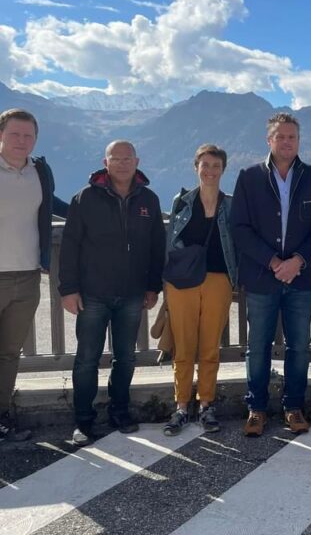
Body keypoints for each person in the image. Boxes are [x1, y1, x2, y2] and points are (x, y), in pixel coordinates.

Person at [231, 112, 311, 437]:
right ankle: (256, 408)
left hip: (302, 278)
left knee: (299, 346)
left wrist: (298, 261)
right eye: (280, 136)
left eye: (292, 137)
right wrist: (274, 262)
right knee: (258, 345)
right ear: (269, 140)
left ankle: (293, 407)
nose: (286, 142)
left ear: (298, 141)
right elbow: (239, 228)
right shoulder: (249, 177)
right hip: (262, 277)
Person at [59, 140, 165, 446]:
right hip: (92, 293)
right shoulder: (86, 197)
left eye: (127, 158)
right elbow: (69, 246)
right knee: (86, 359)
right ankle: (83, 420)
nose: (121, 163)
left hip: (132, 293)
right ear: (105, 163)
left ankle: (120, 411)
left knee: (126, 358)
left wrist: (152, 286)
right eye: (115, 159)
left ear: (137, 161)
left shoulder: (149, 199)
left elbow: (157, 245)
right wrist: (69, 289)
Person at [162, 144, 237, 436]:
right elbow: (171, 243)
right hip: (183, 283)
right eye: (205, 165)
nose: (210, 171)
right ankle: (181, 406)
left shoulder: (230, 205)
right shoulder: (182, 201)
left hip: (219, 280)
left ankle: (206, 404)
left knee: (209, 348)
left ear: (223, 169)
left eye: (216, 166)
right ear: (196, 167)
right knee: (183, 347)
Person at [0, 109, 54, 442]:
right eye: (15, 134)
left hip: (27, 276)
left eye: (28, 135)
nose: (22, 141)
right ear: (1, 134)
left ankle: (2, 415)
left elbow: (51, 205)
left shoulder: (40, 170)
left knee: (8, 352)